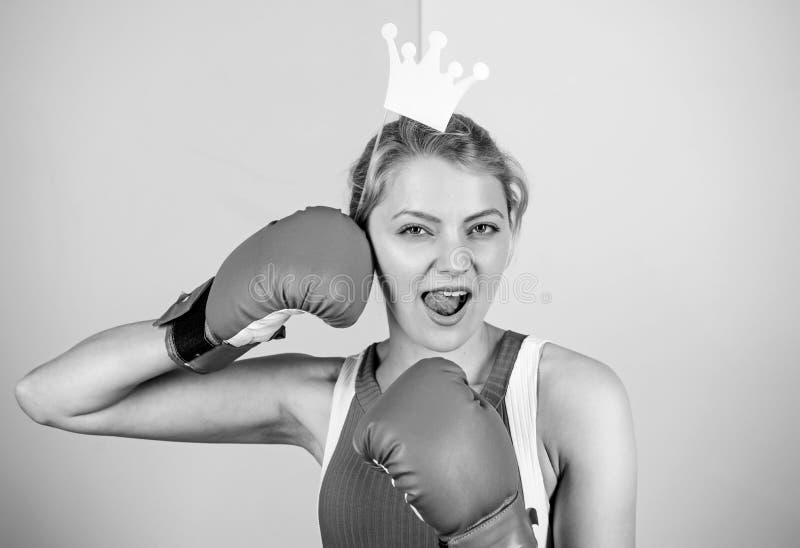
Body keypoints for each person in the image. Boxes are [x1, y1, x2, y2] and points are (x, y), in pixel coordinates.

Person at [15, 113, 637, 547]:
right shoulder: (319, 399)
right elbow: (50, 397)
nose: (455, 262)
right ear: (361, 240)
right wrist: (207, 326)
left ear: (511, 236)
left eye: (481, 228)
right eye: (416, 229)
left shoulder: (571, 398)